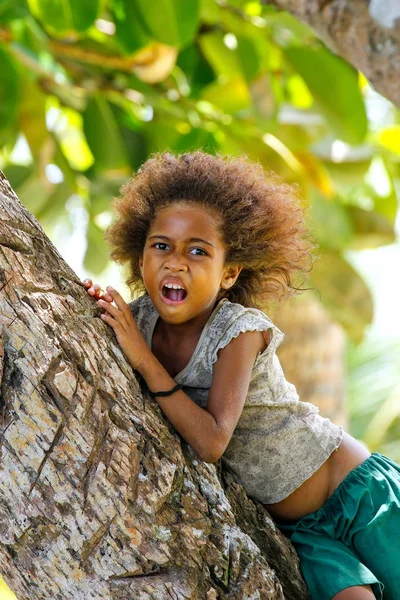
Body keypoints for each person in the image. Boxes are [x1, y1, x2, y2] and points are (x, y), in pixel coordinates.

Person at [83, 151, 400, 600]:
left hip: (355, 493)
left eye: (198, 251)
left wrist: (143, 360)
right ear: (139, 259)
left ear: (229, 273)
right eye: (161, 246)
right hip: (294, 530)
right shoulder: (140, 324)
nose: (176, 262)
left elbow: (213, 441)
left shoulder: (238, 330)